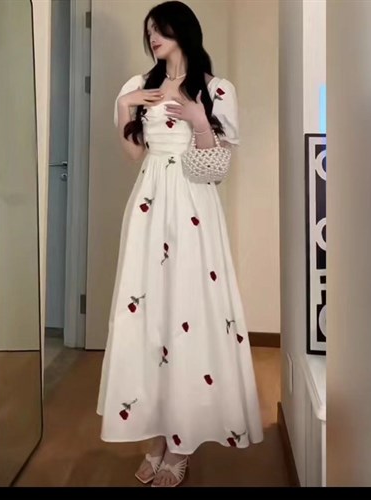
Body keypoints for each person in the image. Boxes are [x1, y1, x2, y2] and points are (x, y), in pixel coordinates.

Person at [96, 0, 264, 487]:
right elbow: (134, 155)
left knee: (188, 310)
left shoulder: (216, 90)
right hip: (148, 207)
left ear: (183, 32)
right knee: (149, 314)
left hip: (193, 207)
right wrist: (126, 107)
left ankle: (181, 443)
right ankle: (156, 436)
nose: (153, 37)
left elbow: (215, 170)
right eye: (150, 30)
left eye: (162, 29)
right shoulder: (138, 86)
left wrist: (199, 120)